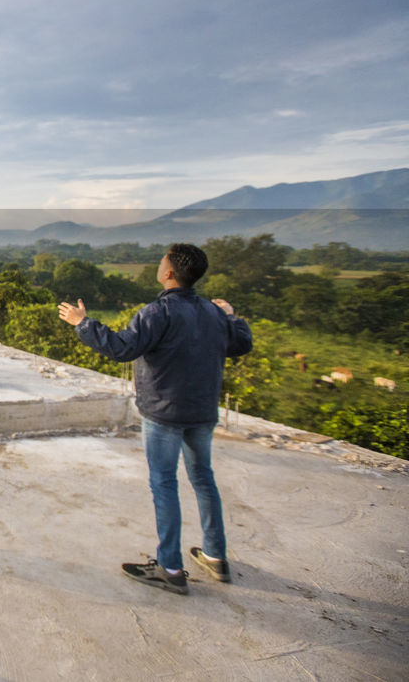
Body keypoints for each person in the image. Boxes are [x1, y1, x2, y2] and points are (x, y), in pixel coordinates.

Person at [58, 243, 252, 595]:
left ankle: (171, 568)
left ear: (168, 273)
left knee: (164, 483)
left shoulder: (157, 313)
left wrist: (82, 323)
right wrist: (230, 315)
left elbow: (121, 348)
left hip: (164, 412)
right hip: (203, 411)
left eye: (162, 262)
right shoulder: (212, 313)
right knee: (203, 479)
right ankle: (215, 555)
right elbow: (241, 343)